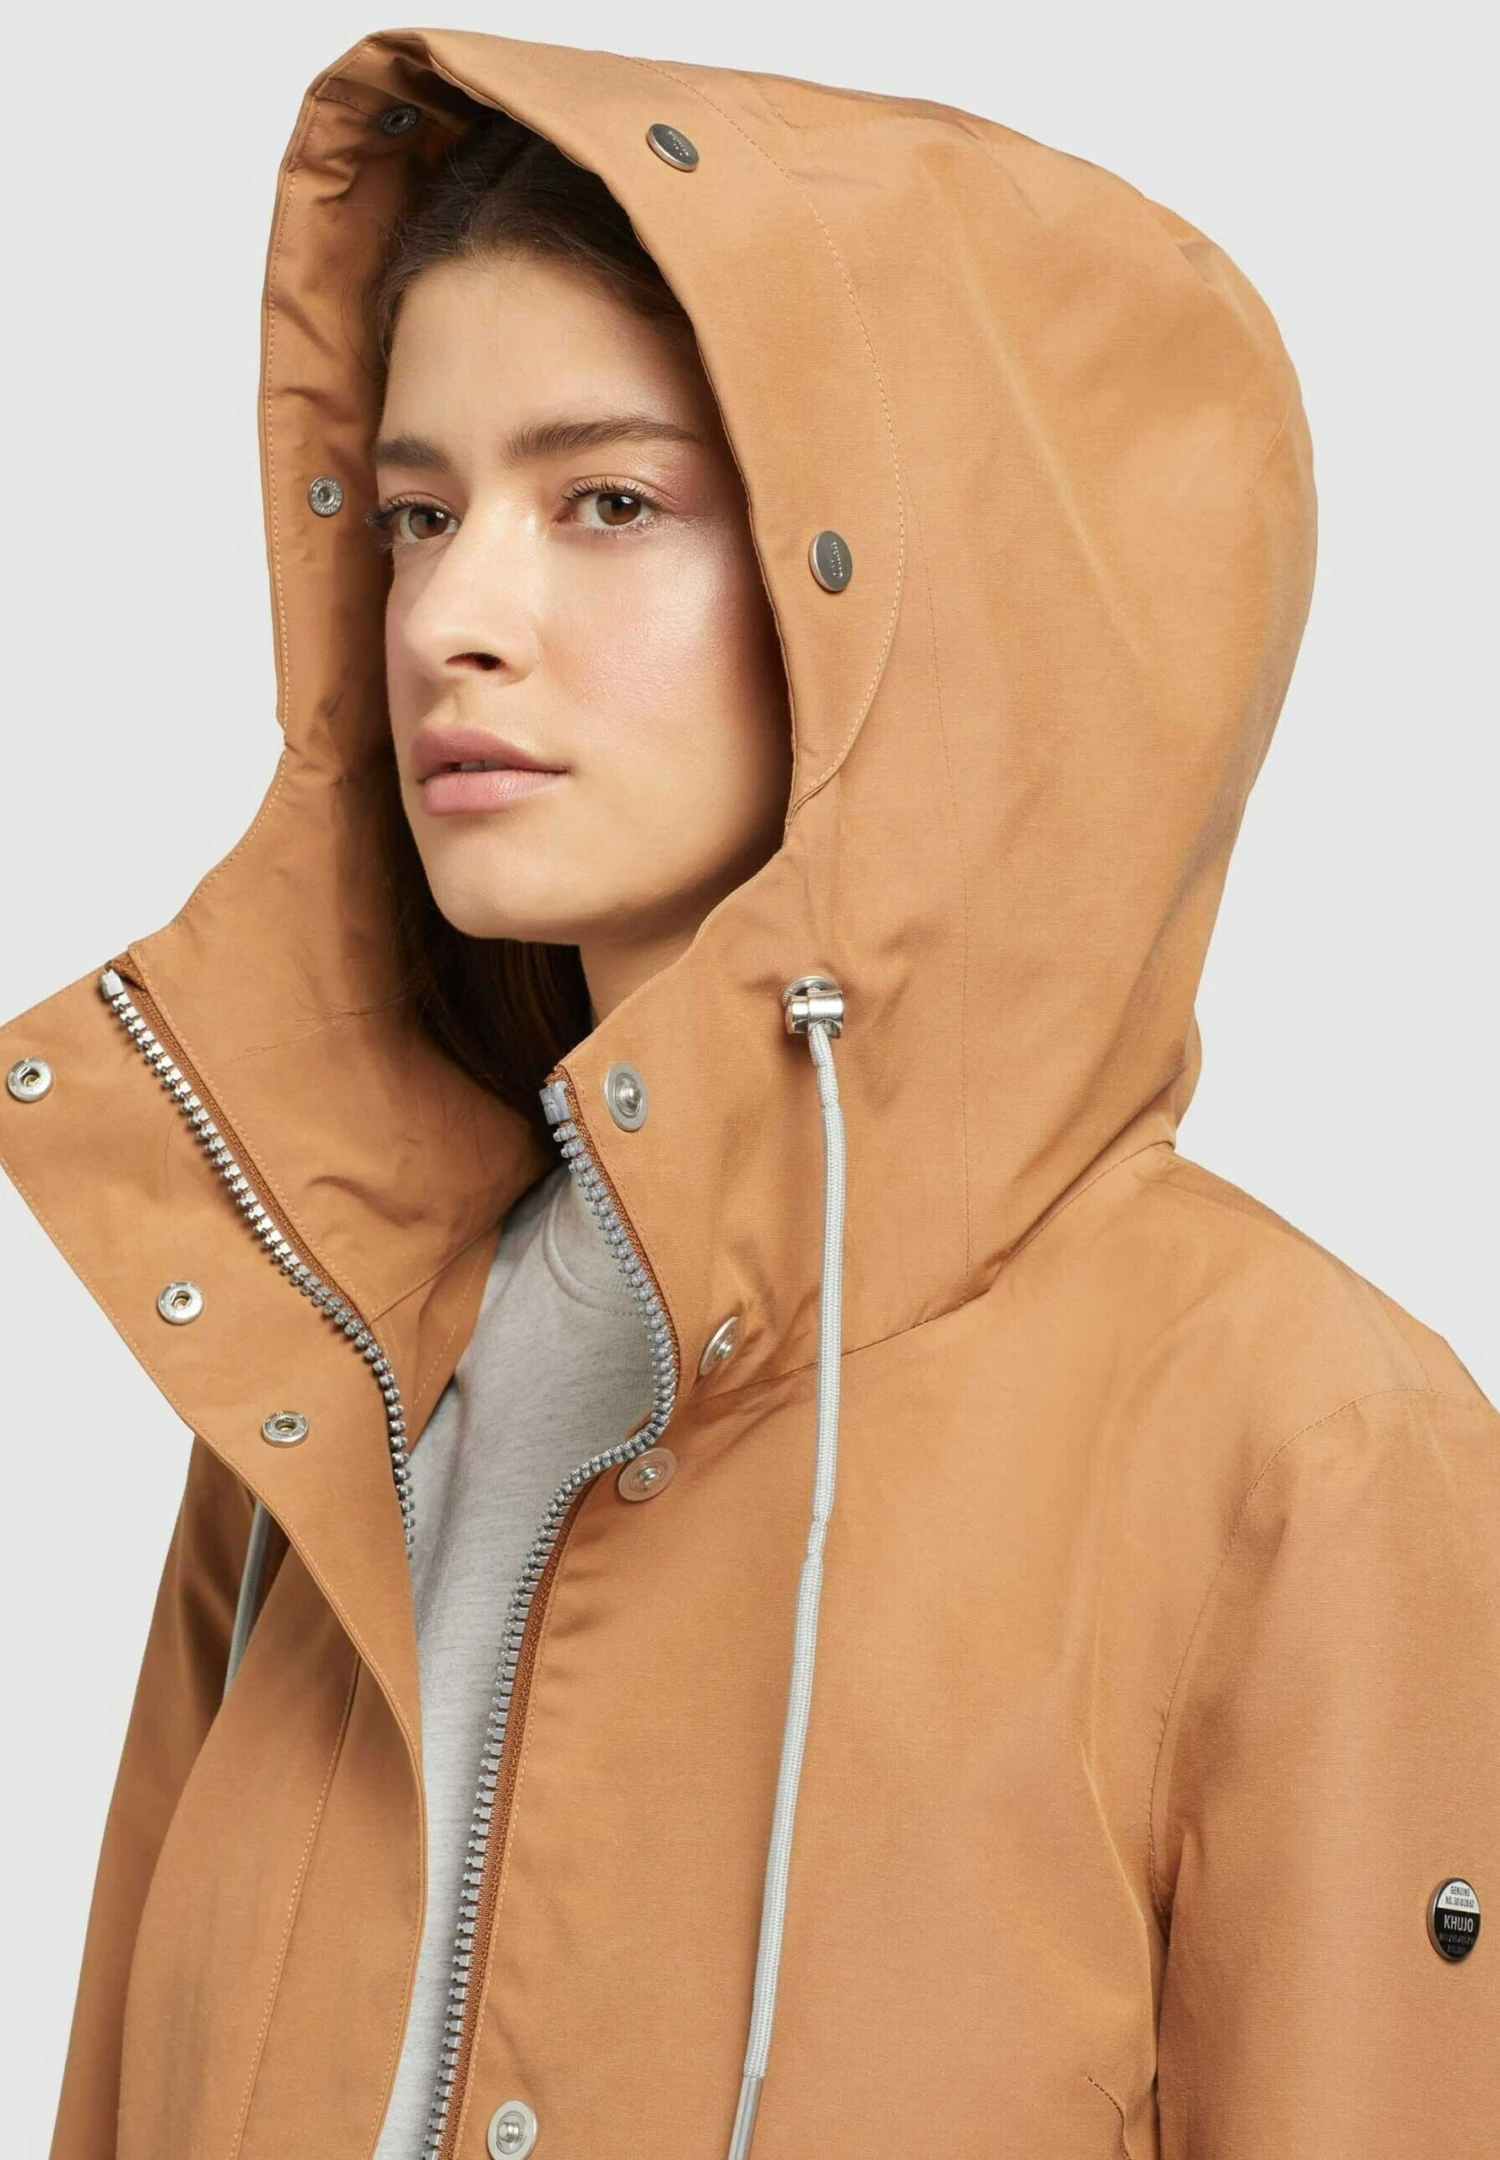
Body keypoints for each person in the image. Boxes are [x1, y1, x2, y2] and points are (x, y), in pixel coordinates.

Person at [1, 25, 1494, 2160]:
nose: (452, 618)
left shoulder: (1299, 1445)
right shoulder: (337, 1369)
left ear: (938, 594)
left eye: (609, 502)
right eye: (418, 514)